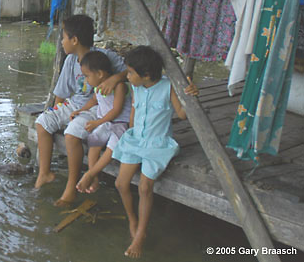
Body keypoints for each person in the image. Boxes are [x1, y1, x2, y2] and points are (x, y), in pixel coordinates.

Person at [112, 45, 198, 258]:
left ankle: (141, 233)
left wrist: (191, 95)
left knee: (144, 187)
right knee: (120, 183)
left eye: (130, 72)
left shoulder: (168, 87)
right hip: (136, 140)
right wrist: (131, 132)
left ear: (146, 74)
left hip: (157, 144)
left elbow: (182, 114)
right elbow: (134, 111)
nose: (127, 75)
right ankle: (133, 219)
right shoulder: (137, 87)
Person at [34, 14, 127, 206]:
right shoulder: (70, 61)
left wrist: (115, 78)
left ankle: (71, 187)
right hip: (75, 105)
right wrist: (55, 113)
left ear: (74, 40)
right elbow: (61, 93)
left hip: (95, 108)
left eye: (63, 37)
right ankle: (45, 173)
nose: (61, 42)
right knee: (42, 123)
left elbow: (131, 70)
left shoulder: (104, 57)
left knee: (71, 134)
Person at [71, 50, 132, 194]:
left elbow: (116, 110)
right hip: (105, 123)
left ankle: (90, 174)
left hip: (120, 123)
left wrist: (98, 122)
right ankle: (94, 177)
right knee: (93, 143)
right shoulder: (97, 87)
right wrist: (80, 111)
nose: (85, 80)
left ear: (99, 74)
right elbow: (93, 101)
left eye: (87, 76)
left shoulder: (119, 86)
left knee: (112, 146)